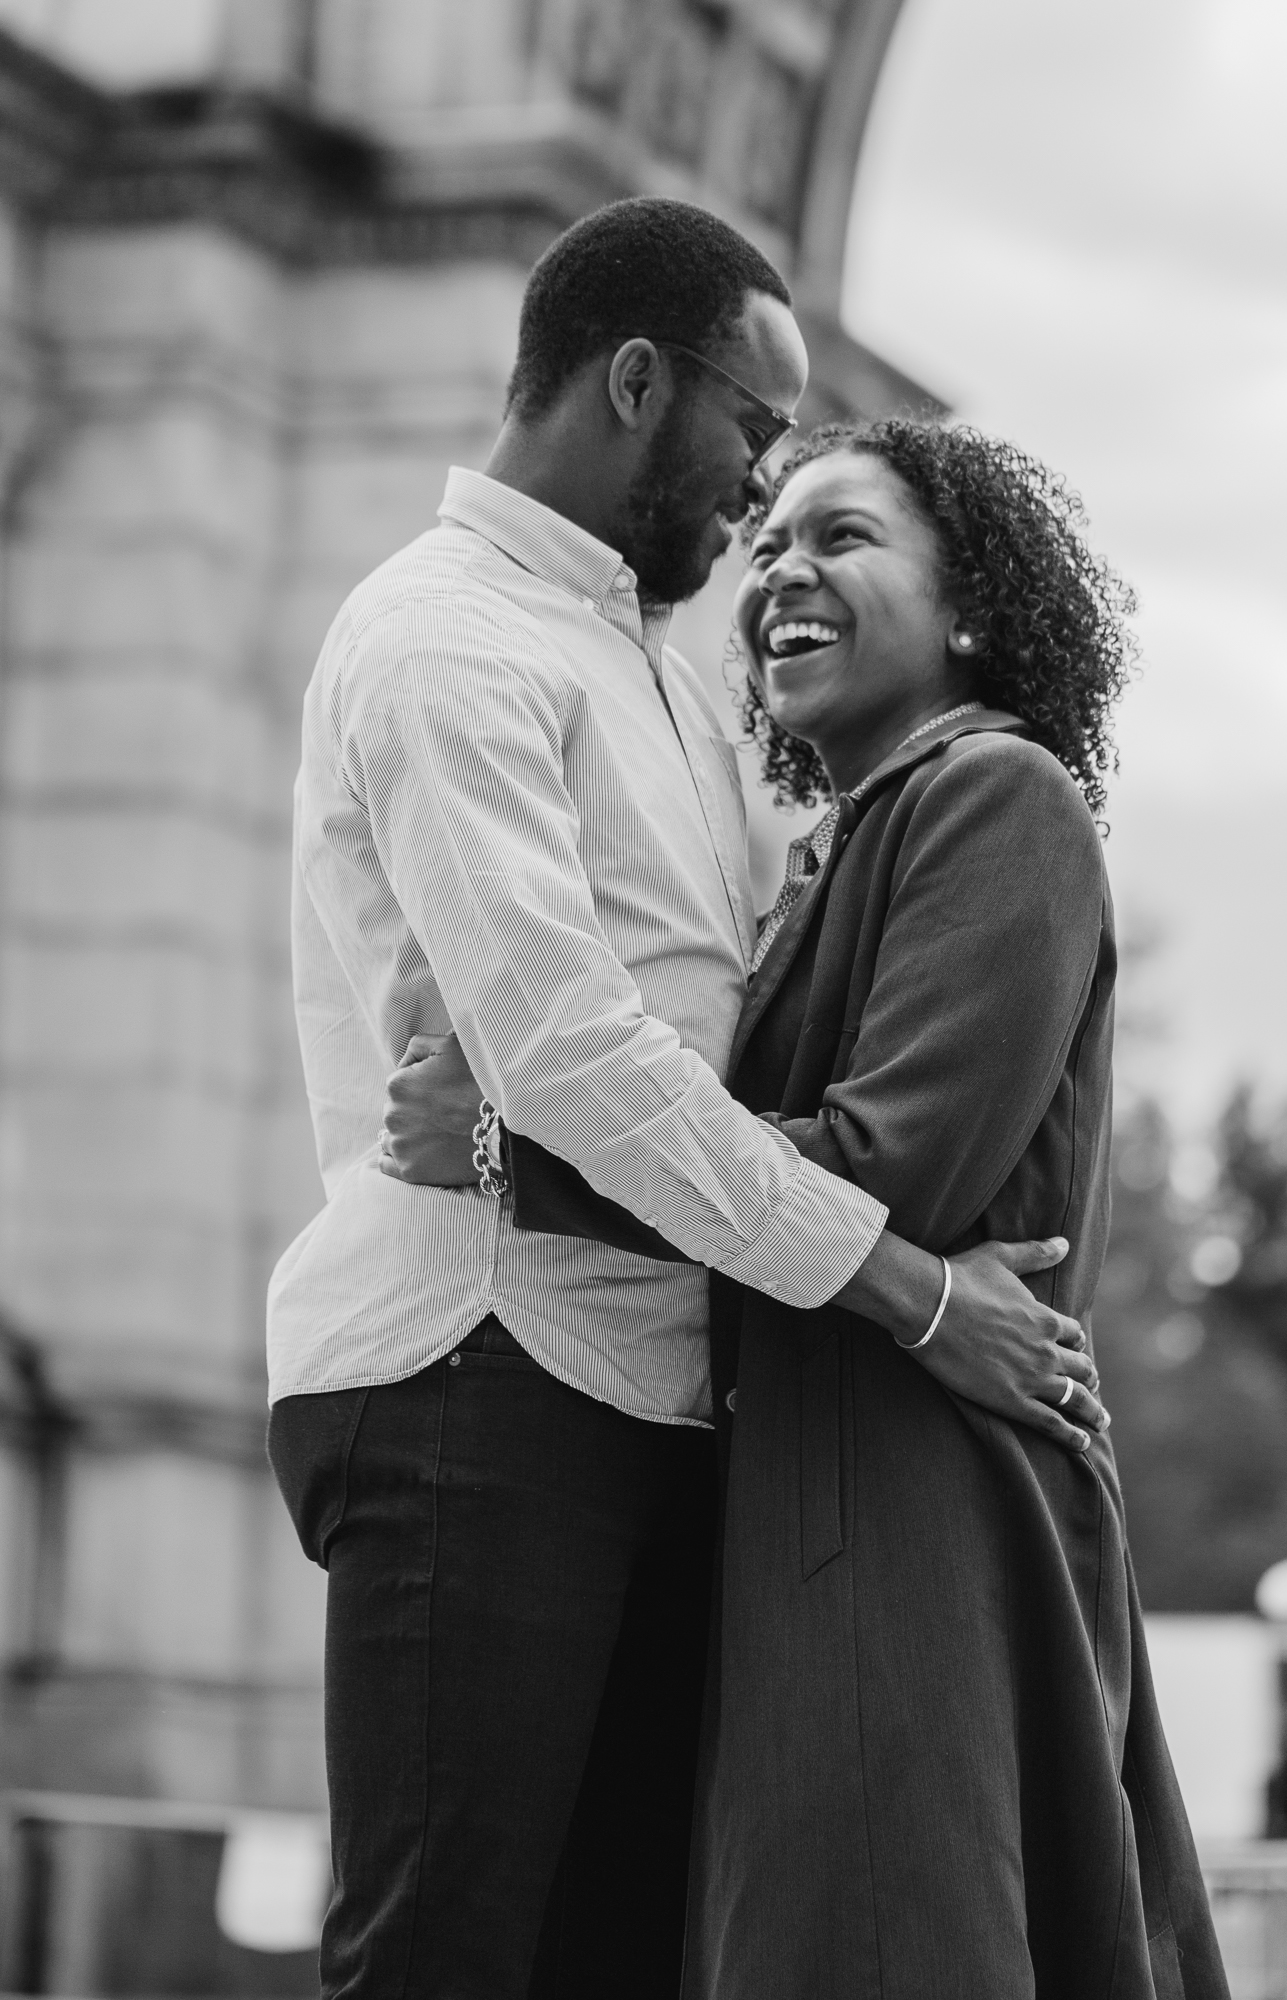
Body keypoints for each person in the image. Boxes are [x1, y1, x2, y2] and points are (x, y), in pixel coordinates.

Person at [266, 198, 1101, 1996]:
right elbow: (572, 1052)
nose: (761, 490)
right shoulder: (446, 642)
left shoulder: (652, 672)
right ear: (640, 381)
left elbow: (701, 1062)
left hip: (650, 1395)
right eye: (756, 431)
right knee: (442, 1968)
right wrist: (911, 1291)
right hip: (479, 1375)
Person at [387, 419, 1229, 1997]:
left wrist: (518, 1154)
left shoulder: (998, 797)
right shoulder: (848, 844)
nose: (780, 568)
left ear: (972, 605)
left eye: (844, 537)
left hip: (909, 1516)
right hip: (826, 1494)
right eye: (768, 538)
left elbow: (872, 1167)